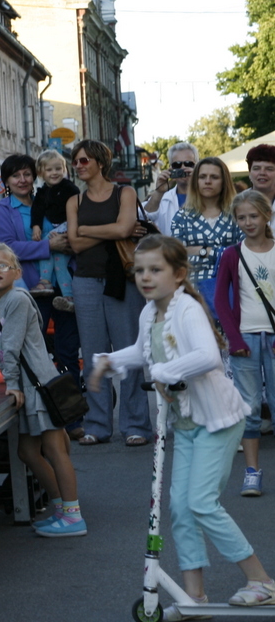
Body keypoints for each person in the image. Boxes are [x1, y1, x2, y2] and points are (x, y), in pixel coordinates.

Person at [93, 237, 275, 604]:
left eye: (155, 270)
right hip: (187, 424)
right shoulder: (150, 312)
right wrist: (110, 360)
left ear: (178, 274)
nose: (145, 277)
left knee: (202, 503)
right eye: (139, 270)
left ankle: (262, 582)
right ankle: (195, 595)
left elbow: (208, 356)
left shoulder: (187, 309)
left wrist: (164, 371)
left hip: (218, 421)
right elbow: (143, 351)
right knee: (180, 509)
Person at [0, 244, 85, 537]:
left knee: (53, 448)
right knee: (27, 451)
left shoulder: (18, 299)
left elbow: (11, 346)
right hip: (21, 381)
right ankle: (60, 508)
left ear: (16, 272)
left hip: (38, 382)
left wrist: (12, 384)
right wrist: (9, 380)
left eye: (4, 265)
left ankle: (73, 516)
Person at [67, 138, 152, 447]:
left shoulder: (124, 193)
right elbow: (75, 245)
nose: (78, 166)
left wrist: (86, 229)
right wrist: (110, 229)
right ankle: (97, 425)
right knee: (93, 355)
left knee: (129, 352)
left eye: (84, 160)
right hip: (86, 280)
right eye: (75, 161)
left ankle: (136, 426)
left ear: (100, 163)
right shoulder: (75, 201)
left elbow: (124, 229)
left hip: (123, 279)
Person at [0, 153, 81, 402]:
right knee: (34, 353)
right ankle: (39, 410)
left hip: (64, 289)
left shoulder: (51, 197)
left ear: (35, 175)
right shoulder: (3, 210)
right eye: (15, 176)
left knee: (68, 351)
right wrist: (48, 247)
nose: (22, 180)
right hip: (31, 290)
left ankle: (72, 413)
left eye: (27, 174)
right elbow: (7, 248)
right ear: (6, 181)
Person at [213, 190, 275, 499]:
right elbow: (220, 301)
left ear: (267, 216)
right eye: (241, 217)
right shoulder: (231, 254)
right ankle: (252, 471)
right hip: (245, 339)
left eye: (253, 216)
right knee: (249, 407)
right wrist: (233, 339)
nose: (248, 222)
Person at [172, 157, 240, 294]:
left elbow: (242, 255)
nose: (208, 181)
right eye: (202, 177)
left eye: (214, 177)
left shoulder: (238, 214)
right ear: (196, 181)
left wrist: (202, 251)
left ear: (224, 182)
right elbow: (177, 258)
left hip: (231, 287)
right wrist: (223, 253)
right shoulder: (182, 217)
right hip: (193, 290)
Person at [29, 149, 79, 308]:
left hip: (69, 224)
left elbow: (78, 206)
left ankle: (45, 281)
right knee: (59, 265)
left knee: (46, 243)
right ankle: (69, 297)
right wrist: (36, 226)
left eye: (58, 168)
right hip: (59, 227)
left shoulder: (69, 188)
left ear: (64, 169)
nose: (54, 173)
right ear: (41, 173)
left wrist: (73, 229)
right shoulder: (42, 192)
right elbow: (37, 211)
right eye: (49, 170)